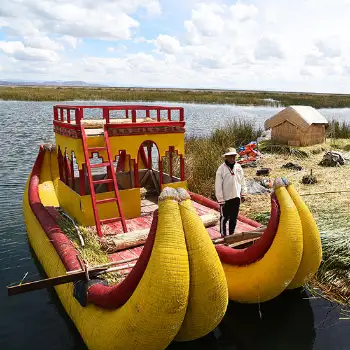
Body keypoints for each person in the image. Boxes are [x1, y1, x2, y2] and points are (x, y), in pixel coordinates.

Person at [215, 147, 247, 237]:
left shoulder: (238, 167)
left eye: (233, 156)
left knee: (234, 218)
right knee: (224, 218)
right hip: (225, 198)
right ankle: (223, 236)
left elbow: (242, 181)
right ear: (226, 157)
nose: (232, 158)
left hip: (236, 196)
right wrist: (220, 199)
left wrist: (243, 193)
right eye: (230, 157)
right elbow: (218, 185)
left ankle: (232, 235)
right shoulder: (221, 169)